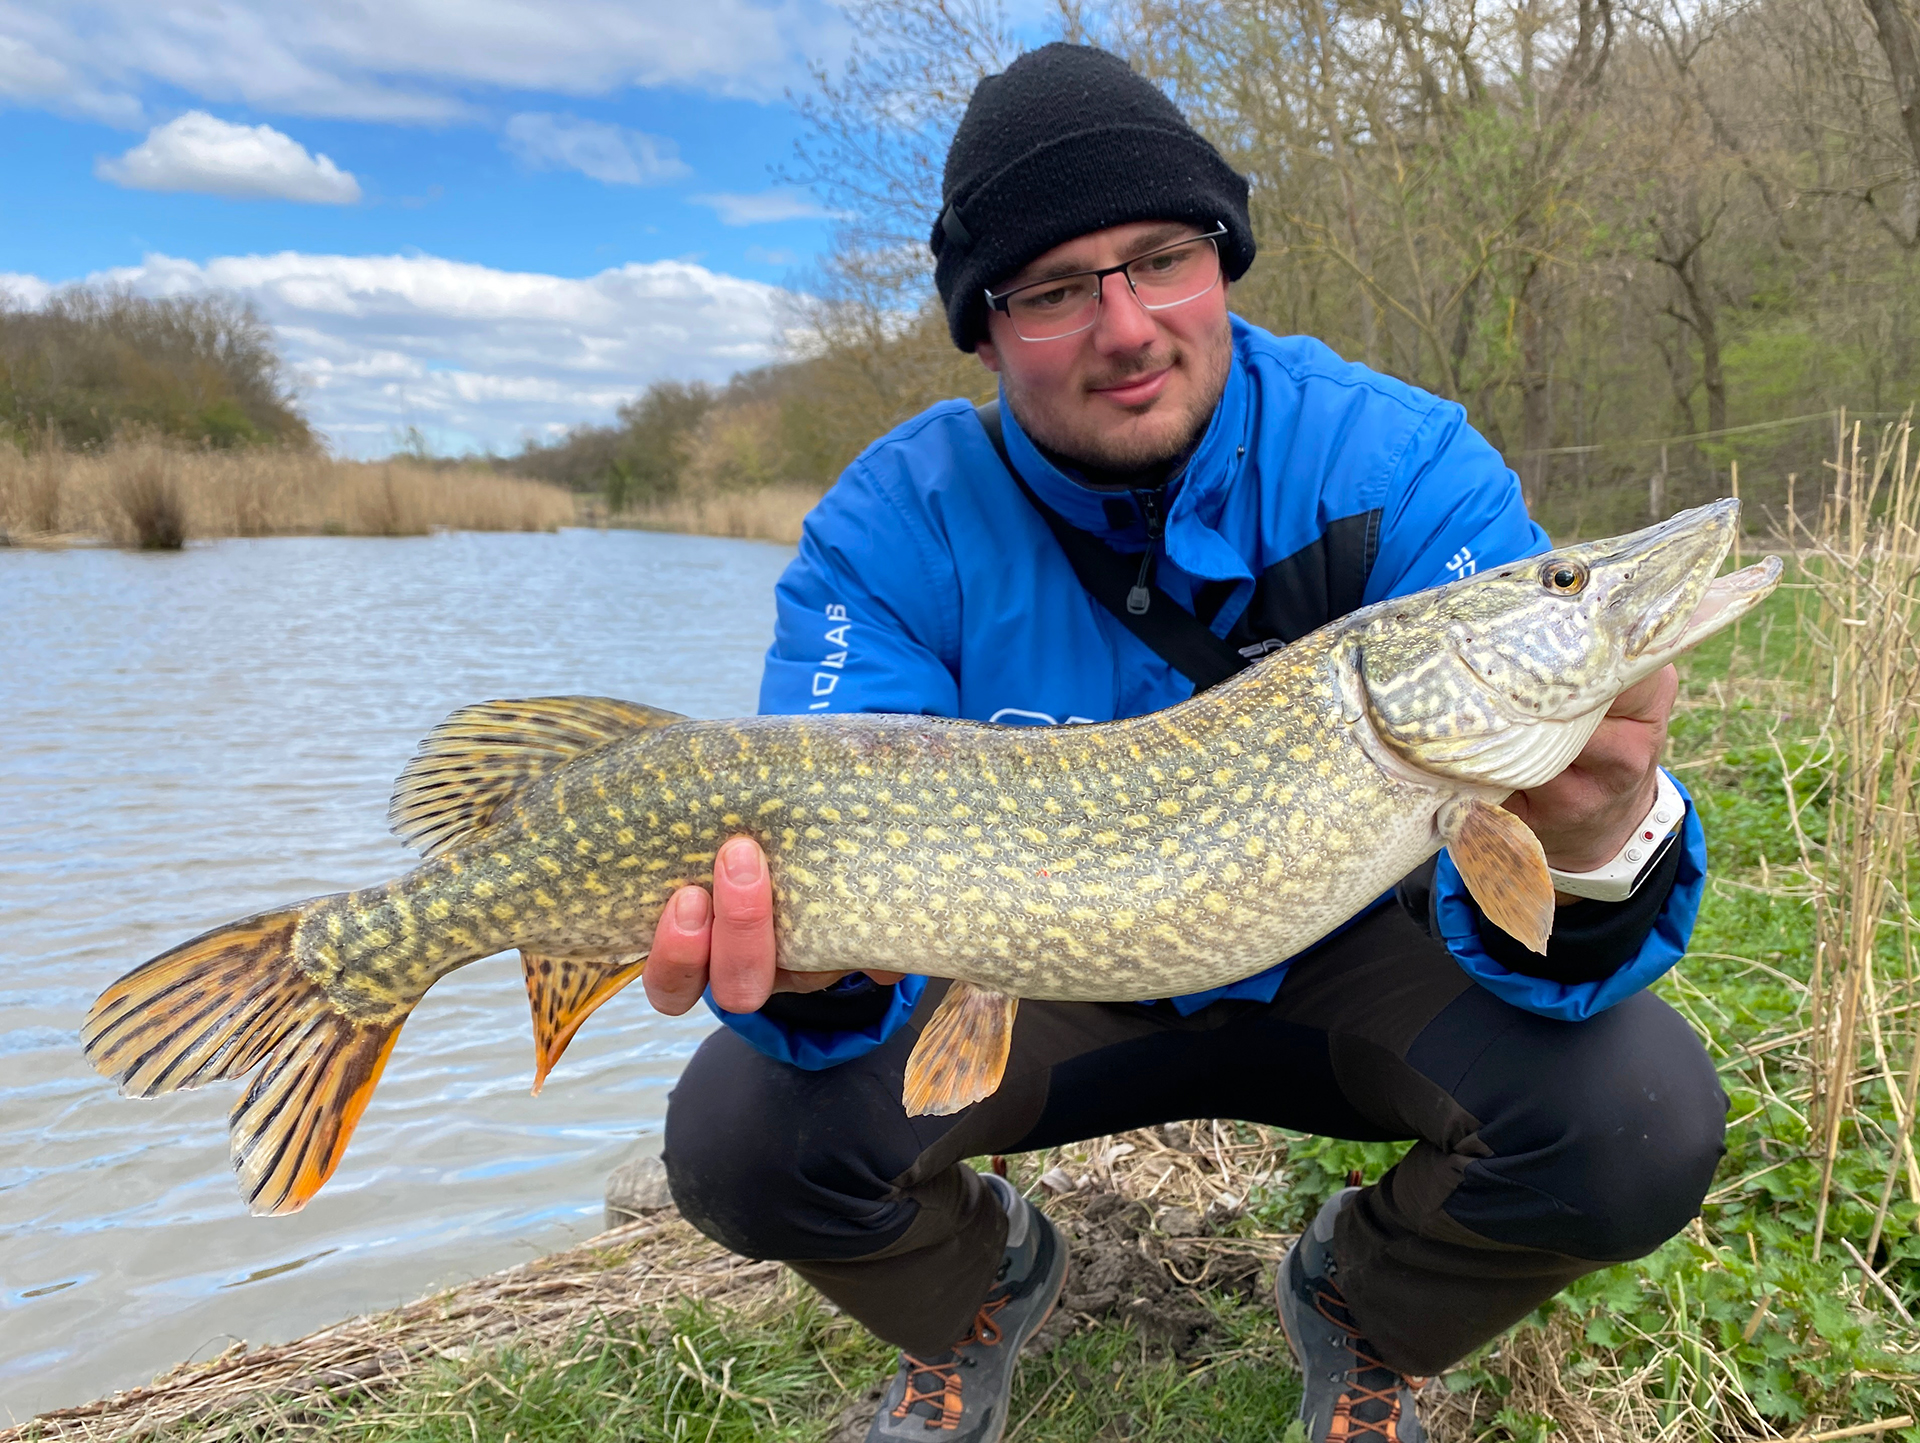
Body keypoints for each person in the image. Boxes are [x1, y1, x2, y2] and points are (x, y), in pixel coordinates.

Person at [647, 42, 1724, 1443]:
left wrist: (1587, 850)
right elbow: (827, 855)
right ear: (983, 329)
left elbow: (1552, 914)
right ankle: (980, 1289)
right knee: (745, 1139)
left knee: (1636, 1118)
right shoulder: (892, 523)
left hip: (1344, 952)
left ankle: (1364, 1304)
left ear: (1221, 259)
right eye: (1051, 290)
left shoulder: (1394, 464)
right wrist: (803, 977)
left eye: (1162, 256)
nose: (1128, 326)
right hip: (1031, 967)